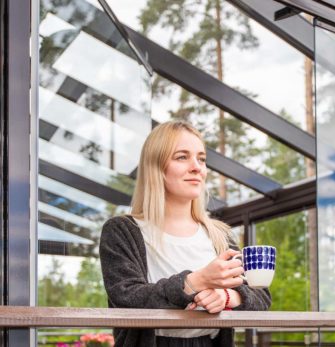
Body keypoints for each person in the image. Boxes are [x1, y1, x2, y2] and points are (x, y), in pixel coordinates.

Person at [99, 121, 271, 347]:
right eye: (182, 157)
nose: (197, 167)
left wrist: (228, 297)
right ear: (156, 167)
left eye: (201, 159)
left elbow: (261, 295)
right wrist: (194, 281)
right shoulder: (123, 230)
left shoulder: (220, 235)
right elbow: (126, 297)